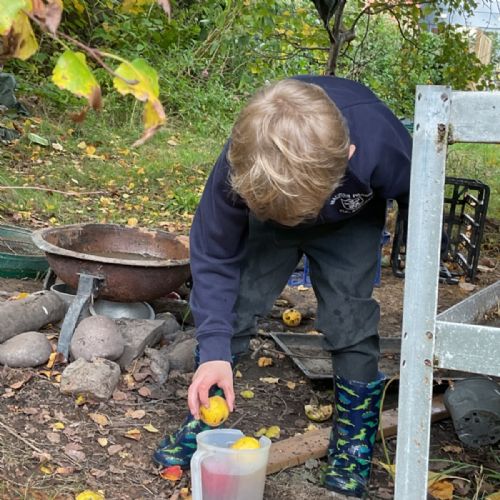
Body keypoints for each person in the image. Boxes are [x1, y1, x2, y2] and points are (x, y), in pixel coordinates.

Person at [154, 75, 412, 497]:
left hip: (349, 218)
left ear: (348, 155)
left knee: (350, 316)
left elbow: (422, 201)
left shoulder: (383, 143)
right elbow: (215, 256)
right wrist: (214, 350)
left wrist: (417, 262)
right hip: (269, 212)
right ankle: (207, 415)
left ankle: (353, 439)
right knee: (237, 300)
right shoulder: (245, 161)